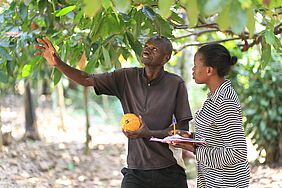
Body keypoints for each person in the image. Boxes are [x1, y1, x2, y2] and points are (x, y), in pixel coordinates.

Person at [35, 36, 193, 188]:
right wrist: (58, 62)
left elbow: (182, 131)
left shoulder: (175, 83)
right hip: (136, 171)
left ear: (166, 58)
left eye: (154, 49)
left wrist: (148, 133)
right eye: (146, 46)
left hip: (168, 169)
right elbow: (86, 79)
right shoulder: (126, 77)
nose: (147, 50)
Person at [172, 44, 250, 187]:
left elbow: (238, 152)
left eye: (196, 65)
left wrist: (194, 149)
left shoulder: (225, 101)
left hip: (227, 182)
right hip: (211, 179)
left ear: (209, 70)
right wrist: (191, 138)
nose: (193, 69)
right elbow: (216, 138)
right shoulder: (214, 97)